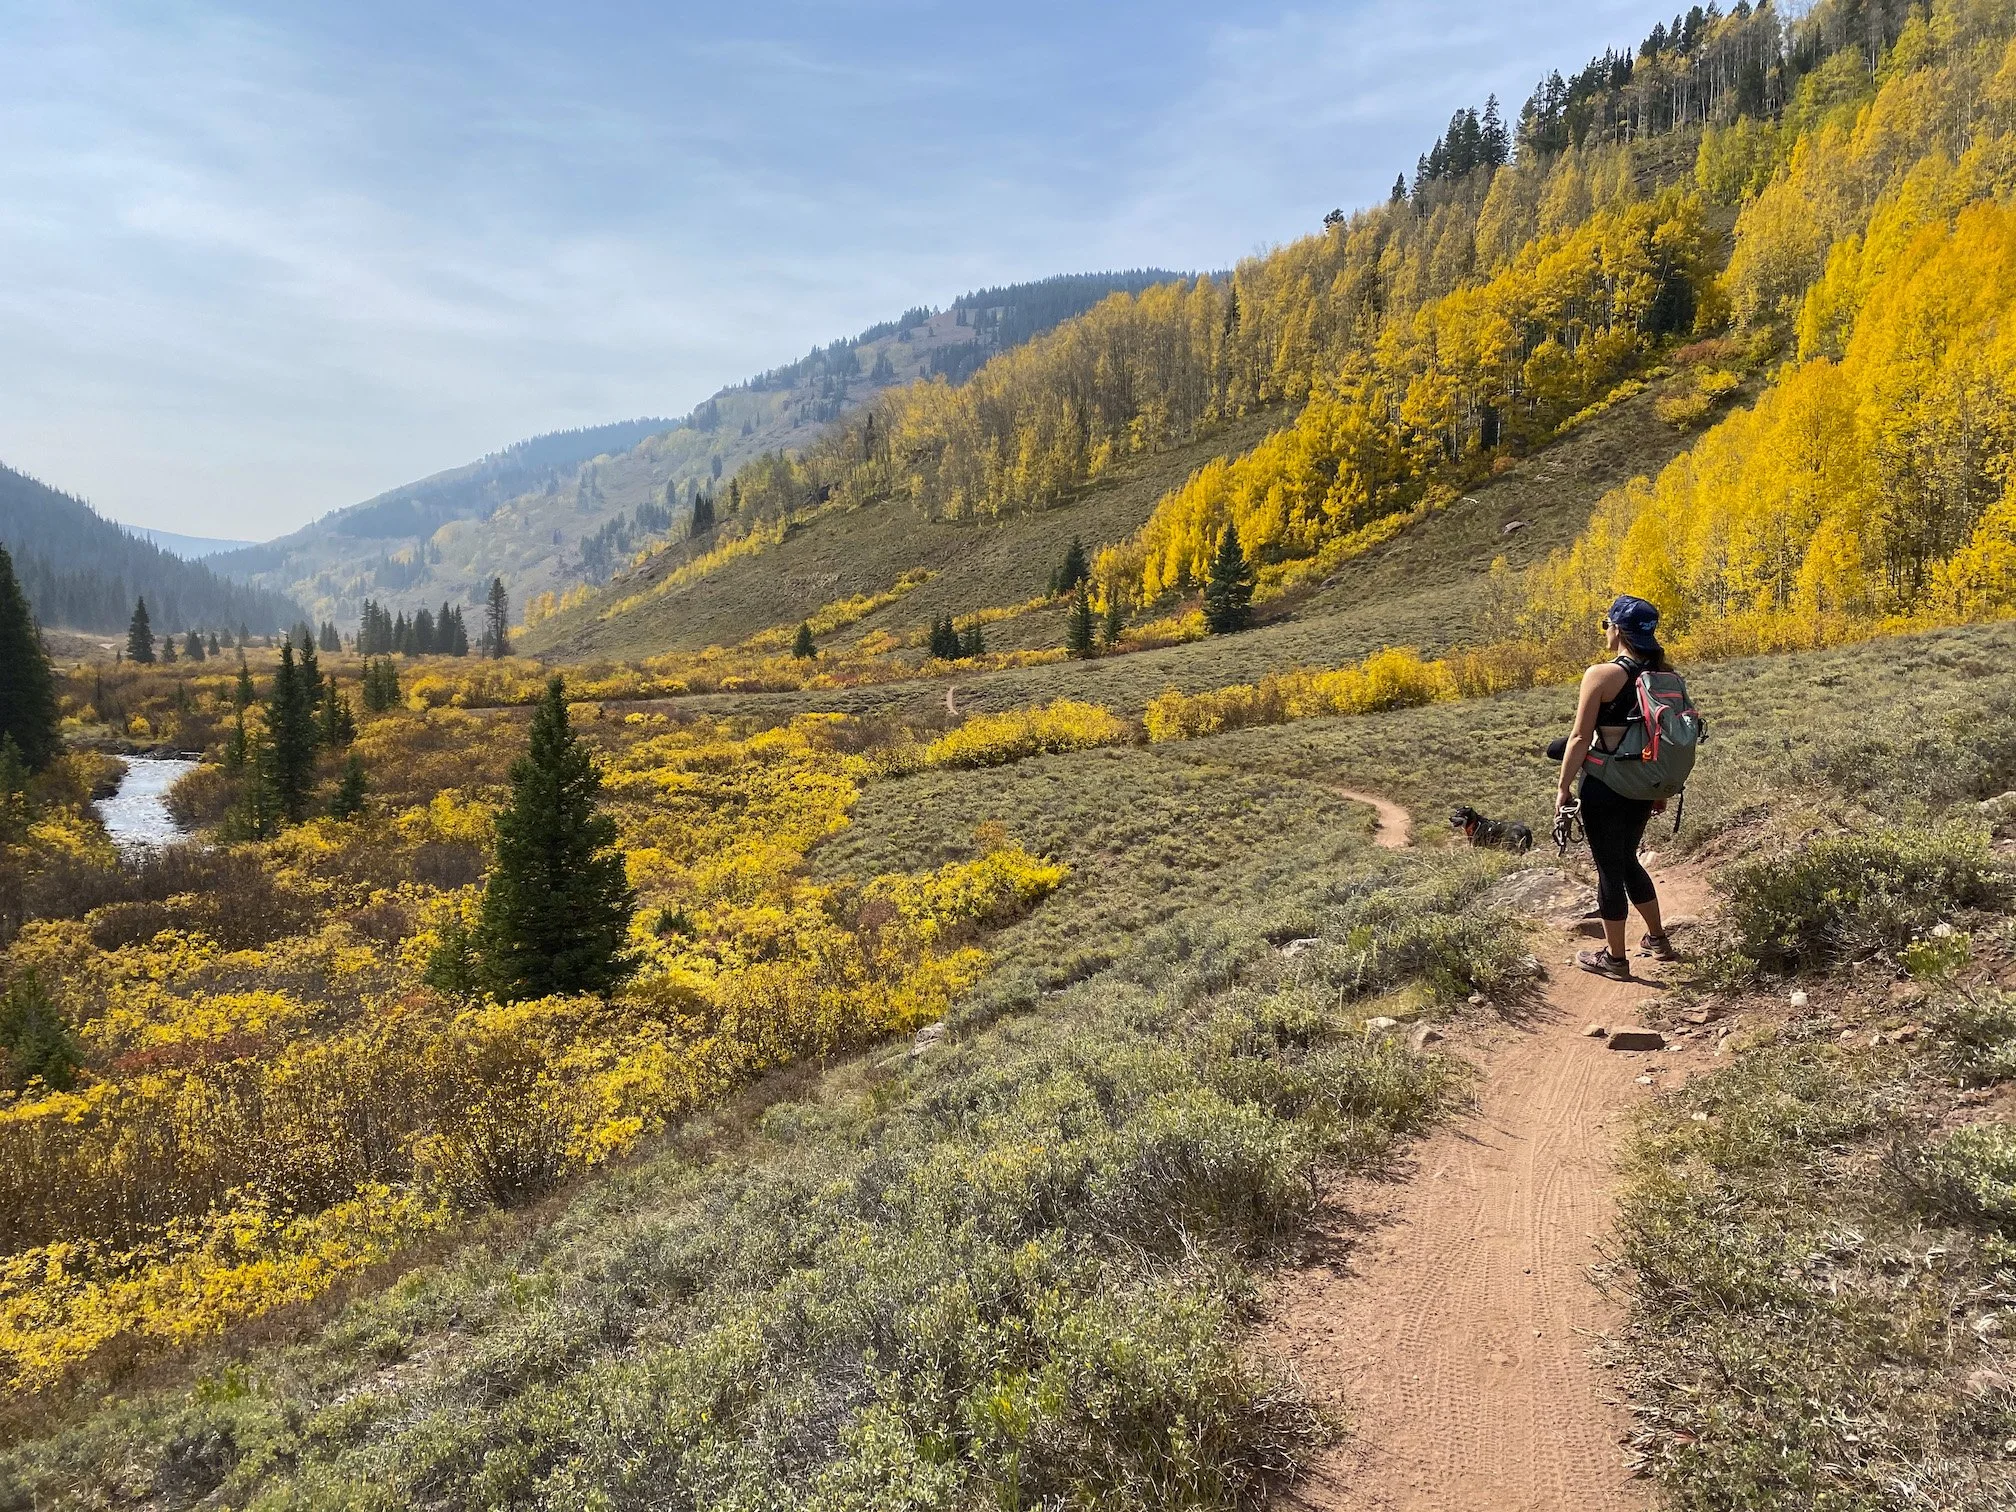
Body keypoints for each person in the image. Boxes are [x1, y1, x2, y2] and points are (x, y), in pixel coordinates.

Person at [1551, 594, 1674, 978]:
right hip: (1643, 784)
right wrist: (1660, 789)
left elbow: (1577, 738)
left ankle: (1615, 959)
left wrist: (1563, 787)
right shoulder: (1664, 675)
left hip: (1605, 787)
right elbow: (1665, 739)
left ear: (1618, 630)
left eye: (1607, 624)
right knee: (1627, 859)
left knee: (1608, 868)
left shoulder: (1601, 675)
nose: (1606, 631)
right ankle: (1657, 939)